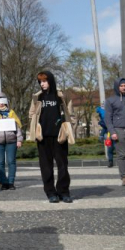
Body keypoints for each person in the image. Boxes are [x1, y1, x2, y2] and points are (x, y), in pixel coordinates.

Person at [28, 70, 75, 203]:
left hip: (60, 136)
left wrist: (69, 128)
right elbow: (31, 114)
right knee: (46, 166)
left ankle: (64, 192)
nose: (42, 84)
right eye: (40, 82)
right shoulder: (37, 97)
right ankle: (50, 193)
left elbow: (70, 113)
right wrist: (35, 127)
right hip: (43, 137)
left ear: (51, 81)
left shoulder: (61, 95)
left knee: (62, 165)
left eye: (44, 81)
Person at [0, 94, 24, 190]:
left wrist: (19, 139)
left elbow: (18, 127)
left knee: (11, 161)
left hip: (11, 141)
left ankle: (11, 182)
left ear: (6, 102)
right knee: (0, 162)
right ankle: (4, 182)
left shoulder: (11, 113)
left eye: (3, 102)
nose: (1, 104)